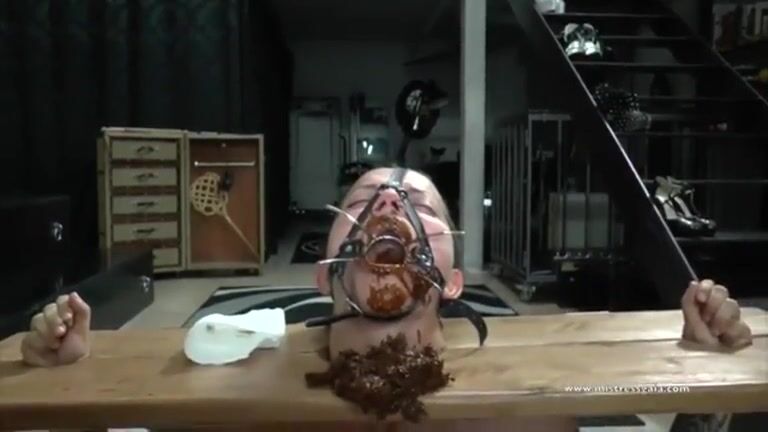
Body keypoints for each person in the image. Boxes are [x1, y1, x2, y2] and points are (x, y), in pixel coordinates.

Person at [20, 168, 753, 432]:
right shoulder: (223, 411)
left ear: (455, 280)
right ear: (323, 272)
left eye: (420, 206)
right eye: (364, 199)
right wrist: (71, 395)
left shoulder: (534, 418)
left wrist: (705, 385)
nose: (391, 206)